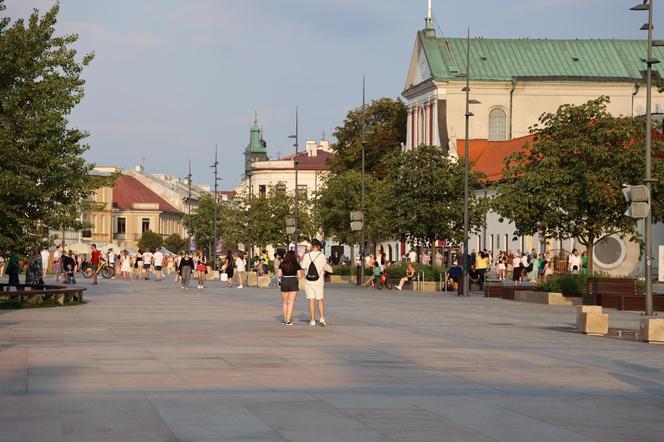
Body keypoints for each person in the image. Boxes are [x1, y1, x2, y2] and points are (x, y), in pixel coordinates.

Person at [300, 239, 333, 326]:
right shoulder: (322, 256)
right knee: (320, 300)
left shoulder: (307, 255)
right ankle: (322, 318)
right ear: (318, 246)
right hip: (319, 281)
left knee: (311, 300)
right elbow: (325, 267)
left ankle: (312, 320)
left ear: (311, 245)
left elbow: (303, 267)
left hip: (309, 281)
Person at [278, 250, 302, 325]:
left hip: (284, 281)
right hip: (293, 281)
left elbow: (279, 275)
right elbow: (300, 276)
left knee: (285, 302)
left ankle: (285, 320)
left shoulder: (282, 264)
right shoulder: (296, 264)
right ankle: (288, 320)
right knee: (290, 302)